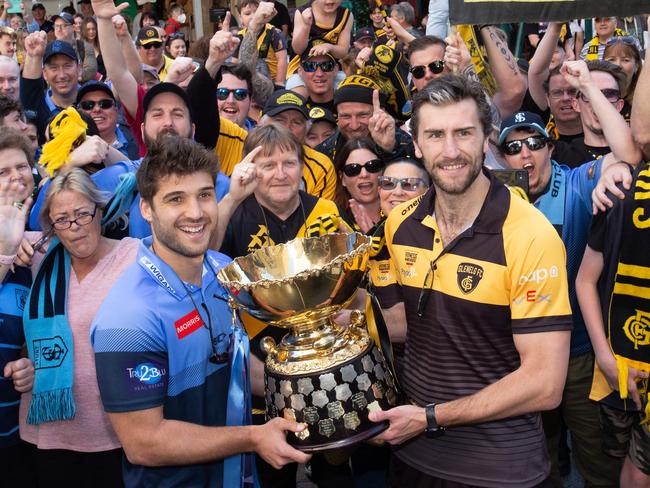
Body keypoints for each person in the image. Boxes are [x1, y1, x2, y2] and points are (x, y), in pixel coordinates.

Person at [368, 75, 572, 487]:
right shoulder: (399, 224)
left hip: (499, 467)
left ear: (486, 139)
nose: (450, 151)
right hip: (413, 460)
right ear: (417, 143)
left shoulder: (529, 234)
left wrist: (430, 417)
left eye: (464, 133)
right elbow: (406, 325)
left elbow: (545, 384)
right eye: (435, 135)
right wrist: (331, 309)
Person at [91, 135, 310, 487]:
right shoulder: (127, 316)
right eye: (176, 199)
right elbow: (144, 443)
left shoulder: (222, 270)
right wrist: (252, 438)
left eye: (204, 195)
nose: (195, 212)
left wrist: (306, 382)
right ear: (146, 208)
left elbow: (232, 358)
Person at [499, 110, 638, 486]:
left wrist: (614, 169)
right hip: (520, 359)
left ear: (551, 147)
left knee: (597, 461)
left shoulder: (577, 182)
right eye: (513, 146)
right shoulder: (493, 201)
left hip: (580, 356)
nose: (525, 154)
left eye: (535, 143)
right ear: (502, 158)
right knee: (534, 459)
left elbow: (629, 153)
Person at [219, 124, 344, 487]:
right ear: (249, 168)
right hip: (261, 365)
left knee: (334, 467)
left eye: (289, 163)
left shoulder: (325, 210)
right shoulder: (236, 212)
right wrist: (229, 199)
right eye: (267, 164)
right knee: (275, 474)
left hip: (324, 364)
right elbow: (203, 261)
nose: (279, 174)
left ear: (303, 167)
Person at [17, 168, 140, 487]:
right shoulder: (38, 256)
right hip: (48, 432)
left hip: (115, 431)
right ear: (51, 225)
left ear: (100, 211)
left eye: (83, 214)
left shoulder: (132, 255)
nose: (74, 228)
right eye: (62, 219)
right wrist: (8, 243)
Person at [576, 162, 650, 488]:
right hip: (622, 365)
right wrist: (605, 357)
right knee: (626, 468)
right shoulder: (622, 191)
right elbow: (584, 280)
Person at [0, 129, 37, 488]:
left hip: (16, 439)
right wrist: (4, 253)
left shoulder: (36, 245)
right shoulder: (12, 248)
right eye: (3, 171)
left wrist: (29, 364)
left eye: (22, 167)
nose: (15, 177)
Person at [258, 89, 337, 201]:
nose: (287, 128)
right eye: (279, 121)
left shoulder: (321, 166)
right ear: (261, 123)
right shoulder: (246, 154)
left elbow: (320, 216)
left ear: (306, 129)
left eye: (296, 122)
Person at [316, 75, 415, 162]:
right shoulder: (322, 154)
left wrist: (390, 149)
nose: (354, 126)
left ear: (382, 111)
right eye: (345, 116)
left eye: (362, 115)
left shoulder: (410, 145)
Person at [552, 60, 631, 167]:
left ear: (620, 105)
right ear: (575, 104)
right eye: (589, 93)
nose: (599, 102)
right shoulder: (559, 156)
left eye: (609, 94)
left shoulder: (641, 151)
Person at [20, 35, 81, 143]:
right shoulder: (38, 109)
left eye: (67, 66)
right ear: (44, 73)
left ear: (78, 69)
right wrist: (34, 56)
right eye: (54, 68)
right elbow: (30, 85)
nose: (61, 75)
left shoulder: (94, 100)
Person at [76, 80, 140, 160]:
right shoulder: (69, 147)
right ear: (77, 112)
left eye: (105, 104)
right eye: (88, 105)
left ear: (116, 110)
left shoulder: (139, 140)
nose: (97, 109)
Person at [333, 137, 383, 233]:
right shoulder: (335, 222)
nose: (364, 174)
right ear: (342, 178)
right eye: (353, 169)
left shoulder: (400, 212)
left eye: (372, 165)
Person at [234, 0, 287, 88]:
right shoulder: (239, 36)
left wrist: (279, 83)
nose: (253, 17)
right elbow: (235, 61)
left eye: (257, 12)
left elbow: (282, 59)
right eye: (247, 14)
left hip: (271, 81)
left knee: (260, 62)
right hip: (248, 81)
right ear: (240, 17)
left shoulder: (274, 33)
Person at [51, 11, 97, 82]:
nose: (59, 29)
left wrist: (63, 78)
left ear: (73, 28)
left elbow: (90, 71)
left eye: (63, 26)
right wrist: (77, 73)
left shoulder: (84, 46)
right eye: (56, 26)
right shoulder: (49, 49)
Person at [603, 36, 643, 104]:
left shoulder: (645, 100)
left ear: (636, 66)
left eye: (625, 60)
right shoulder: (594, 96)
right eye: (611, 60)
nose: (618, 65)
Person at [217, 62, 254, 130]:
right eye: (222, 92)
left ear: (250, 101)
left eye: (240, 94)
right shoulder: (193, 136)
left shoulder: (261, 139)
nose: (231, 101)